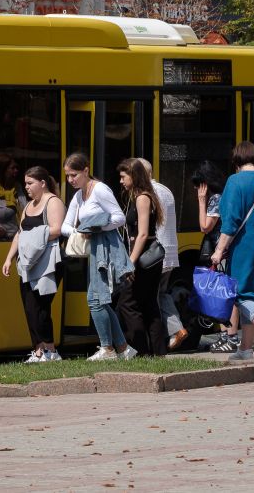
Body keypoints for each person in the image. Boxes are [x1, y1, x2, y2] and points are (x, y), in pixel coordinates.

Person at [61, 152, 136, 361]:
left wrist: (98, 227)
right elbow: (65, 226)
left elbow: (119, 218)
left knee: (96, 300)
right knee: (100, 299)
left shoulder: (100, 189)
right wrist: (79, 231)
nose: (70, 180)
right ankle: (122, 348)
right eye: (67, 176)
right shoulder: (78, 195)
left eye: (74, 175)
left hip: (106, 249)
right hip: (92, 249)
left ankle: (108, 349)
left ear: (86, 170)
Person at [209, 142, 254, 361]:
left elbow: (230, 221)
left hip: (245, 245)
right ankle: (245, 349)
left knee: (242, 294)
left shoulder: (234, 181)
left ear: (236, 160)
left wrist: (219, 250)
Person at [1, 166, 66, 363]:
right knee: (29, 305)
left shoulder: (53, 202)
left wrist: (32, 237)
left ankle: (50, 350)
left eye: (30, 183)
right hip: (28, 262)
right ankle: (37, 350)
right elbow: (19, 234)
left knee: (41, 306)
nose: (26, 187)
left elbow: (57, 229)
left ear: (42, 183)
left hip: (48, 261)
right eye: (26, 183)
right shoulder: (28, 206)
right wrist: (9, 258)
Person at [115, 158, 169, 356]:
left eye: (123, 177)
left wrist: (130, 261)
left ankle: (140, 349)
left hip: (143, 256)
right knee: (148, 302)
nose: (121, 181)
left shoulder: (142, 197)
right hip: (147, 257)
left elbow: (143, 233)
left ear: (134, 175)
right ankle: (157, 351)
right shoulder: (142, 195)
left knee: (127, 303)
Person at [137, 158, 186, 351]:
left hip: (155, 253)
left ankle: (161, 337)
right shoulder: (165, 189)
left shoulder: (148, 194)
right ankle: (176, 330)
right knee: (161, 293)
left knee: (149, 298)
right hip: (171, 251)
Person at [193, 161, 239, 353]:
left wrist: (201, 201)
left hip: (223, 251)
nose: (196, 189)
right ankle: (225, 336)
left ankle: (231, 337)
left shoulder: (215, 199)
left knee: (226, 294)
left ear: (205, 184)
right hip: (226, 250)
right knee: (222, 293)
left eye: (198, 185)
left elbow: (205, 226)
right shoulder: (225, 196)